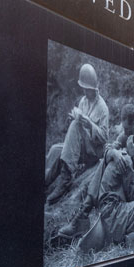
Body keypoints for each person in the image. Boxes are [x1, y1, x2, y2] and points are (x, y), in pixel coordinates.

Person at [56, 135, 134, 252]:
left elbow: (107, 149)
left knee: (103, 165)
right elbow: (132, 194)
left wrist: (112, 151)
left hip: (106, 212)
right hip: (114, 213)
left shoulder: (117, 157)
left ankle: (82, 215)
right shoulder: (127, 161)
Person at [45, 63, 110, 204]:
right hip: (82, 147)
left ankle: (66, 179)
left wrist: (90, 124)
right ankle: (46, 182)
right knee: (57, 149)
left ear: (94, 88)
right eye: (84, 89)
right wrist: (73, 119)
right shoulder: (83, 101)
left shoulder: (102, 107)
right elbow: (77, 130)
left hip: (94, 151)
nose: (86, 93)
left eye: (88, 90)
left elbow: (105, 137)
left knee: (75, 126)